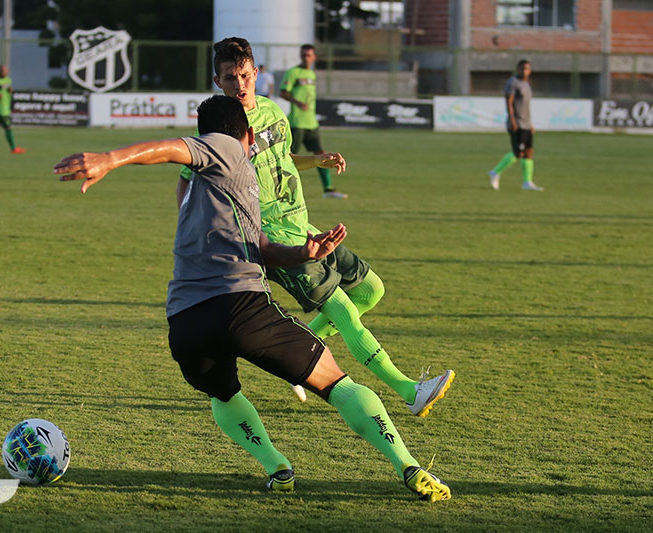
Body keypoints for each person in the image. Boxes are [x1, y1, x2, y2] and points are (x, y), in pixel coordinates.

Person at [54, 94, 451, 502]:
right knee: (336, 383)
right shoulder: (227, 150)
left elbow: (259, 245)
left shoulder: (215, 187)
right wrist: (108, 158)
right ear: (247, 134)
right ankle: (408, 466)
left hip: (186, 325)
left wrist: (304, 253)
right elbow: (172, 148)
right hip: (240, 308)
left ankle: (277, 466)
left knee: (222, 393)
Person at [178, 37, 455, 416]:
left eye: (244, 75)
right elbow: (186, 177)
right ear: (217, 81)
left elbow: (284, 157)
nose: (239, 84)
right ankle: (410, 391)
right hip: (276, 240)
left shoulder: (274, 112)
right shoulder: (220, 132)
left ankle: (300, 360)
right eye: (230, 78)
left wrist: (317, 161)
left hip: (304, 224)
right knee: (344, 312)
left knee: (371, 291)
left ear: (256, 74)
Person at [279, 44, 345, 198]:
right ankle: (281, 190)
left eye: (308, 55)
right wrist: (297, 103)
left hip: (311, 123)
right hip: (296, 123)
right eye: (303, 55)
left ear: (314, 57)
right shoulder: (293, 72)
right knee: (288, 158)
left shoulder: (312, 74)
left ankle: (328, 189)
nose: (305, 58)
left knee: (322, 155)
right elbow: (283, 92)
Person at [488, 59, 543, 191]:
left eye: (527, 69)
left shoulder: (527, 84)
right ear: (518, 69)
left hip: (526, 124)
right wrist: (512, 120)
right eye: (522, 68)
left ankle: (527, 182)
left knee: (529, 152)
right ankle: (495, 172)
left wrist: (530, 124)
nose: (525, 71)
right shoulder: (513, 83)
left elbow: (525, 106)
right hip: (517, 123)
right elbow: (509, 102)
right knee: (517, 153)